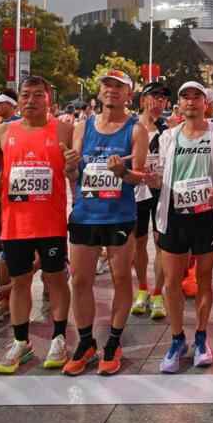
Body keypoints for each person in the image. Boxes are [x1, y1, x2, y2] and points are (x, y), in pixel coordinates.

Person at [0, 76, 74, 375]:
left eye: (38, 95)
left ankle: (58, 337)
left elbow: (74, 170)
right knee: (20, 282)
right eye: (26, 95)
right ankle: (20, 341)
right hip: (15, 223)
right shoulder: (5, 131)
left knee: (56, 280)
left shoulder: (64, 129)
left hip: (51, 221)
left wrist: (72, 165)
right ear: (19, 99)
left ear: (49, 99)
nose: (31, 100)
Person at [63, 69, 148, 376]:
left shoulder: (136, 130)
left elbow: (139, 176)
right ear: (99, 92)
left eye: (119, 87)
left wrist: (122, 173)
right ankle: (86, 342)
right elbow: (74, 174)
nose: (112, 90)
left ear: (129, 95)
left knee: (121, 279)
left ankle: (113, 341)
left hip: (119, 216)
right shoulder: (83, 127)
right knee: (80, 281)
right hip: (85, 214)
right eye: (107, 85)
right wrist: (69, 168)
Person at [153, 81, 213, 372]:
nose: (190, 101)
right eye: (185, 97)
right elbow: (159, 175)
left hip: (207, 215)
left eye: (196, 97)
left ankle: (200, 337)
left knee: (204, 278)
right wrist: (148, 179)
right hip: (174, 215)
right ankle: (177, 339)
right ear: (179, 104)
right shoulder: (168, 137)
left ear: (205, 103)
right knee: (171, 281)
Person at [131, 83, 169, 320]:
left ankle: (157, 293)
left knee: (160, 242)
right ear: (143, 100)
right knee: (139, 242)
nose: (158, 102)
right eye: (154, 97)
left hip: (160, 191)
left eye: (163, 99)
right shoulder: (131, 128)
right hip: (137, 191)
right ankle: (142, 289)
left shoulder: (168, 130)